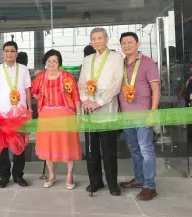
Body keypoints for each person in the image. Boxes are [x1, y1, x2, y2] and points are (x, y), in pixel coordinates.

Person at [78, 27, 124, 196]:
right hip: (89, 112)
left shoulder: (116, 57)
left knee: (109, 150)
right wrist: (85, 100)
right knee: (92, 150)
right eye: (93, 38)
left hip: (107, 111)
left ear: (106, 39)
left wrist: (98, 102)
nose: (97, 41)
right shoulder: (87, 59)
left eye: (100, 38)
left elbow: (117, 83)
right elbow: (81, 82)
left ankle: (113, 184)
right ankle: (95, 181)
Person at [117, 32, 160, 201]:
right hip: (126, 115)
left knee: (145, 149)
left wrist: (153, 111)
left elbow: (155, 88)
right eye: (123, 43)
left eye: (129, 42)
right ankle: (139, 179)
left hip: (143, 114)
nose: (126, 46)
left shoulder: (147, 62)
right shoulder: (120, 64)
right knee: (134, 149)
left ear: (137, 43)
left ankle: (150, 185)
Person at [31, 49, 82, 190]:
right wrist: (42, 100)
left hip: (66, 115)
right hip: (46, 115)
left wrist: (78, 114)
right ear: (45, 63)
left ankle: (69, 175)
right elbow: (33, 92)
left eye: (55, 61)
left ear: (59, 63)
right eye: (49, 61)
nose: (52, 63)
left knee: (68, 145)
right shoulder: (41, 77)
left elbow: (76, 97)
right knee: (48, 145)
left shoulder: (67, 76)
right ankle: (52, 174)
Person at [0, 41, 32, 188]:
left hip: (20, 114)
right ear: (3, 53)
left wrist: (30, 108)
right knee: (3, 146)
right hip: (1, 114)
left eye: (12, 51)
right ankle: (4, 176)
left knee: (20, 145)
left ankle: (18, 175)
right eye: (6, 51)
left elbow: (27, 90)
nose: (9, 54)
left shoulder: (24, 69)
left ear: (16, 53)